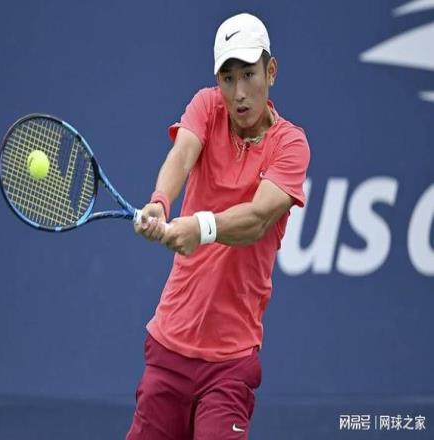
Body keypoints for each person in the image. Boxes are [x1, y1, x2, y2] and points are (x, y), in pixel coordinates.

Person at [126, 12, 310, 440]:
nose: (239, 92)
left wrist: (200, 228)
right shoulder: (207, 107)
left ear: (271, 71)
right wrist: (160, 201)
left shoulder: (290, 144)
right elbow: (181, 156)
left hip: (230, 363)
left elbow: (258, 218)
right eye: (228, 78)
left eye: (248, 74)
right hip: (169, 346)